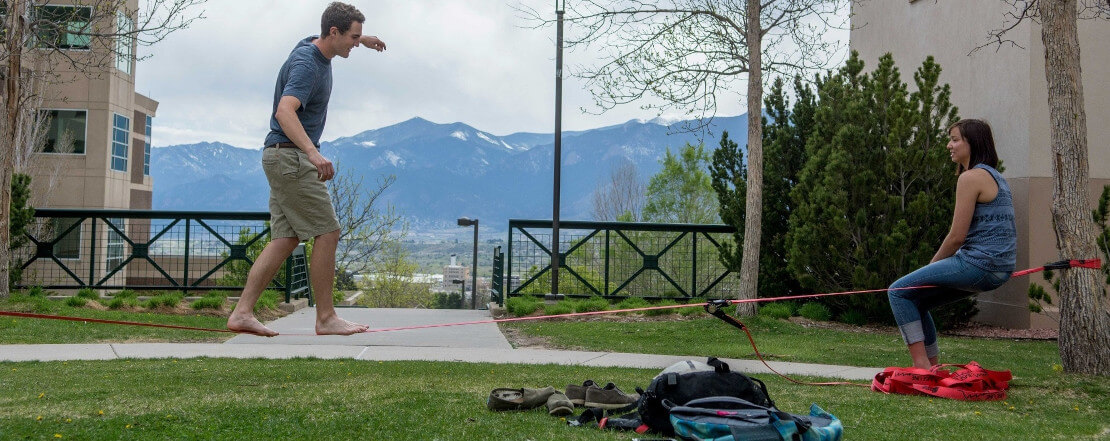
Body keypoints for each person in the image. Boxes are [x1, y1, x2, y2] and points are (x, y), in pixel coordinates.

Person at [227, 2, 387, 336]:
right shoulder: (306, 64)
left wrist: (365, 37)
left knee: (286, 239)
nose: (354, 44)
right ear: (333, 33)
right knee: (328, 231)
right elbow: (286, 111)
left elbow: (328, 34)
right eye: (352, 38)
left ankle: (242, 313)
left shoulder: (312, 47)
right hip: (291, 157)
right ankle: (326, 318)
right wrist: (313, 154)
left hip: (279, 156)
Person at [887, 119, 1017, 369]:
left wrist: (930, 267)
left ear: (973, 143)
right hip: (999, 269)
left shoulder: (971, 178)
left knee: (899, 292)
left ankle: (921, 367)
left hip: (979, 264)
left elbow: (956, 237)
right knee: (918, 300)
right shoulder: (996, 177)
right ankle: (933, 367)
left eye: (955, 139)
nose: (949, 145)